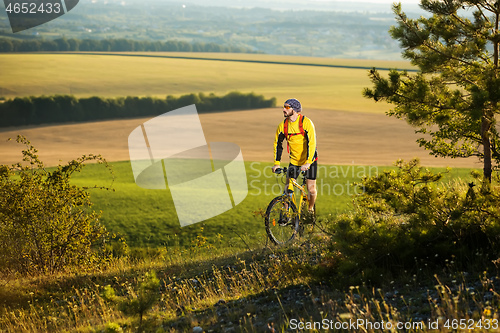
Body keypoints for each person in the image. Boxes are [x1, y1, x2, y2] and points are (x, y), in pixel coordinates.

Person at [272, 98, 318, 212]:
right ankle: (286, 213)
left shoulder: (306, 123)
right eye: (284, 107)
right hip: (294, 161)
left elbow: (312, 143)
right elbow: (278, 145)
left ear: (295, 109)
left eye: (287, 107)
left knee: (311, 189)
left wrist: (308, 162)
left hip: (309, 160)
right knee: (288, 188)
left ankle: (310, 209)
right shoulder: (283, 126)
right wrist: (276, 164)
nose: (283, 109)